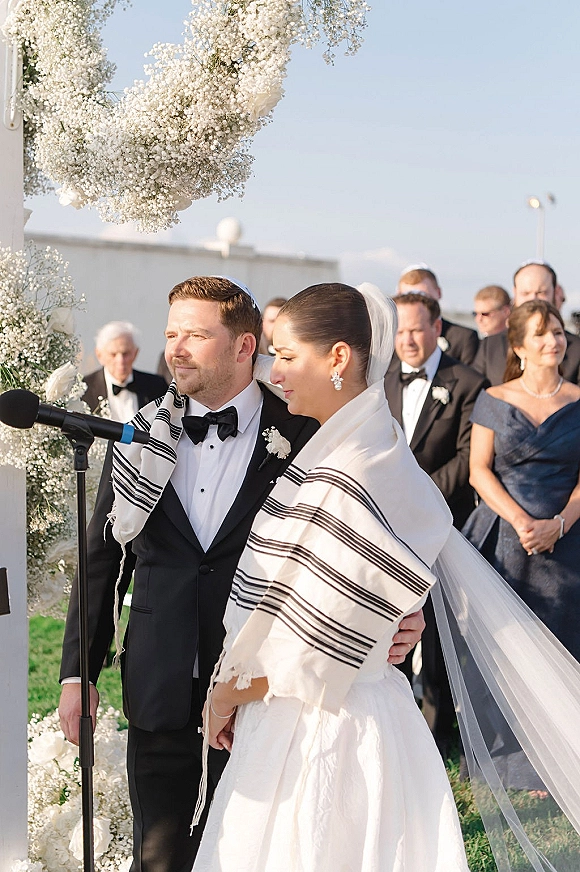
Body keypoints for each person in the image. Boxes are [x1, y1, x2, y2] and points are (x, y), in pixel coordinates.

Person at [191, 284, 580, 872]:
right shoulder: (373, 441)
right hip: (347, 705)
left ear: (338, 358)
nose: (276, 371)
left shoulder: (349, 469)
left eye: (287, 355)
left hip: (320, 726)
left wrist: (224, 695)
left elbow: (315, 648)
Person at [58, 277, 423, 872]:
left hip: (267, 694)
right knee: (158, 857)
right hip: (160, 681)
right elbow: (103, 559)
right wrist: (79, 672)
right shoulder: (139, 433)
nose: (176, 349)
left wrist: (403, 612)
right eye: (171, 334)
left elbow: (373, 535)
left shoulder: (308, 429)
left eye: (195, 335)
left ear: (244, 346)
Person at [464, 299, 580, 786]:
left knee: (564, 643)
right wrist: (521, 521)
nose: (553, 341)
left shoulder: (578, 400)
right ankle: (508, 763)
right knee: (505, 646)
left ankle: (563, 759)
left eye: (557, 332)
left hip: (568, 545)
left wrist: (560, 523)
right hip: (504, 542)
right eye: (540, 334)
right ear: (518, 346)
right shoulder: (493, 399)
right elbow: (479, 470)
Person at [384, 292, 488, 757]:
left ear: (437, 328)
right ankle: (393, 723)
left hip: (443, 525)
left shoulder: (467, 382)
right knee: (387, 626)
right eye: (400, 330)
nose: (407, 339)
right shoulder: (379, 377)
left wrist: (418, 498)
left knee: (439, 630)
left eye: (416, 329)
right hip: (384, 525)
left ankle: (439, 728)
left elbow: (468, 457)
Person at [473, 261, 580, 385]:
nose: (533, 299)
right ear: (515, 293)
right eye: (525, 293)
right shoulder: (490, 346)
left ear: (555, 292)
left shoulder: (576, 350)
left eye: (541, 293)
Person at [83, 321, 168, 420]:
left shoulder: (157, 386)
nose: (120, 361)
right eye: (113, 354)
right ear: (99, 355)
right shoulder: (84, 390)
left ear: (135, 353)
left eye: (125, 353)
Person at [396, 265, 479, 365]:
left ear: (438, 292)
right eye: (409, 299)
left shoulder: (463, 338)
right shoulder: (388, 338)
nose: (418, 305)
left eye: (424, 298)